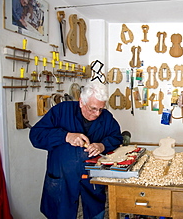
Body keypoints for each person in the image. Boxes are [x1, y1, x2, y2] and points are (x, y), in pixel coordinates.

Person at [29, 81, 123, 219]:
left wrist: (102, 145)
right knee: (61, 213)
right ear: (81, 102)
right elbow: (36, 136)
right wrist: (65, 136)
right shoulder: (61, 111)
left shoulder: (106, 117)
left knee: (95, 213)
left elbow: (116, 137)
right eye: (93, 108)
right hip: (62, 182)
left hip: (92, 185)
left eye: (100, 109)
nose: (97, 114)